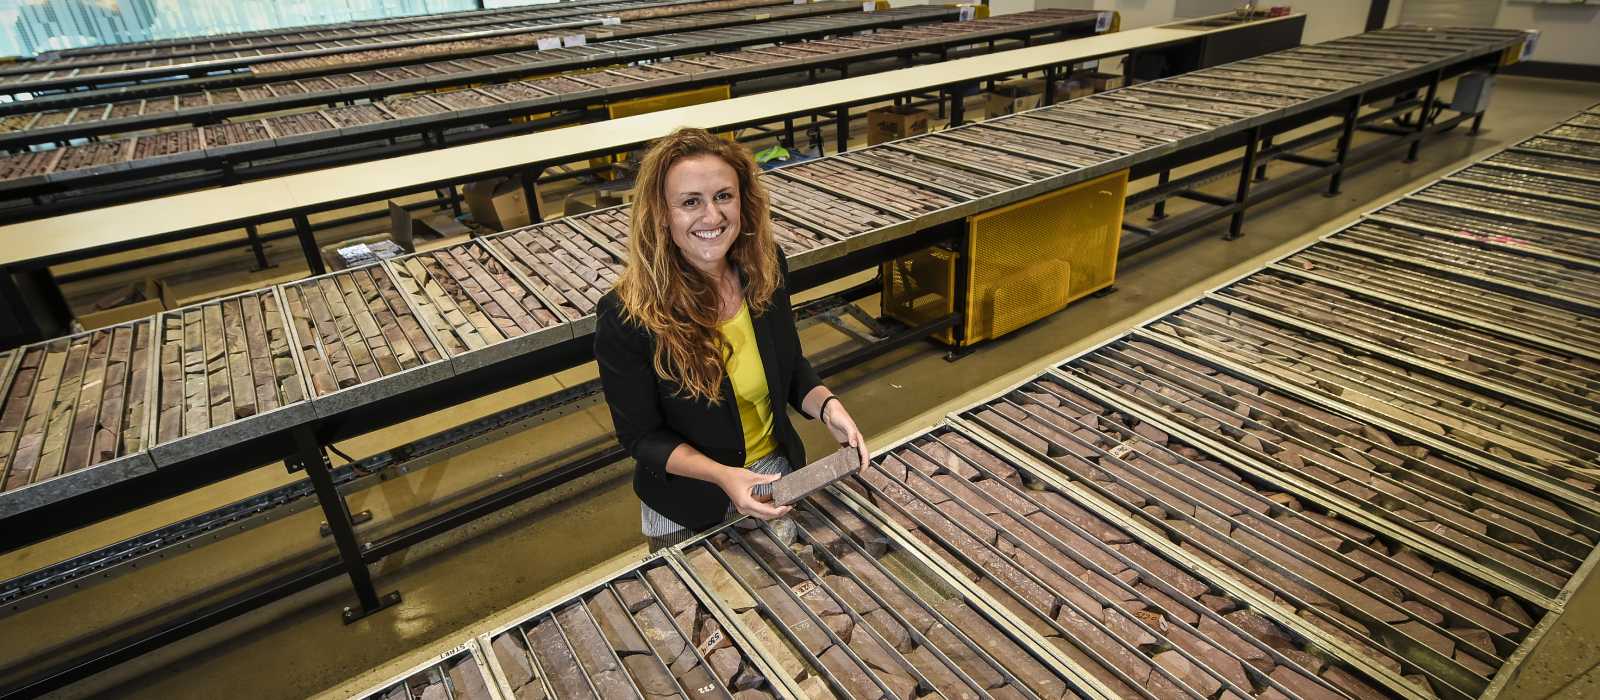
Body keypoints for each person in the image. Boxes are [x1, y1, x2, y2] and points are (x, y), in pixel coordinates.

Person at [594, 127, 871, 552]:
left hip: (772, 474)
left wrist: (828, 407)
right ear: (662, 215)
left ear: (744, 199)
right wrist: (724, 476)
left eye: (724, 196)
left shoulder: (764, 268)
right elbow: (642, 437)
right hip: (687, 497)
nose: (712, 216)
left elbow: (790, 365)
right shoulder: (629, 313)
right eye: (690, 202)